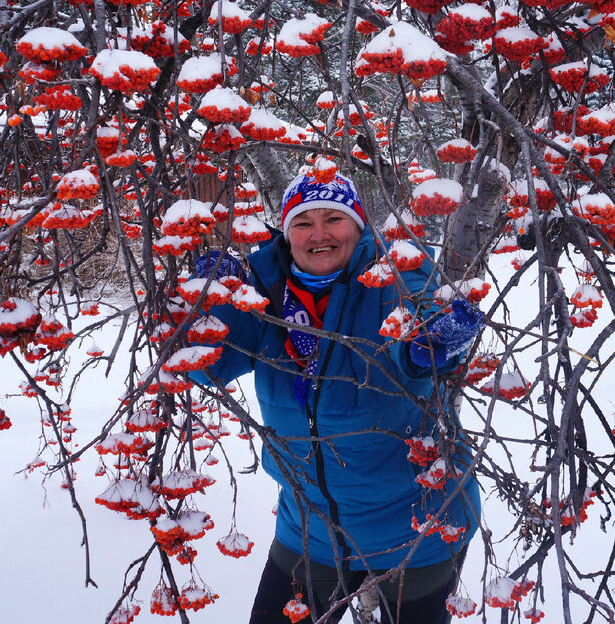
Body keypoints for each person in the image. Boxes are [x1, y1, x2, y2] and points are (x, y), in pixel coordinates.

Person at [192, 171, 483, 623]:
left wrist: (432, 346)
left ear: (359, 226)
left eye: (334, 219)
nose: (320, 234)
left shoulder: (397, 273)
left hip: (418, 527)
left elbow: (421, 328)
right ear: (286, 232)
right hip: (308, 529)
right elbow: (209, 367)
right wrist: (213, 306)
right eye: (304, 221)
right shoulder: (263, 285)